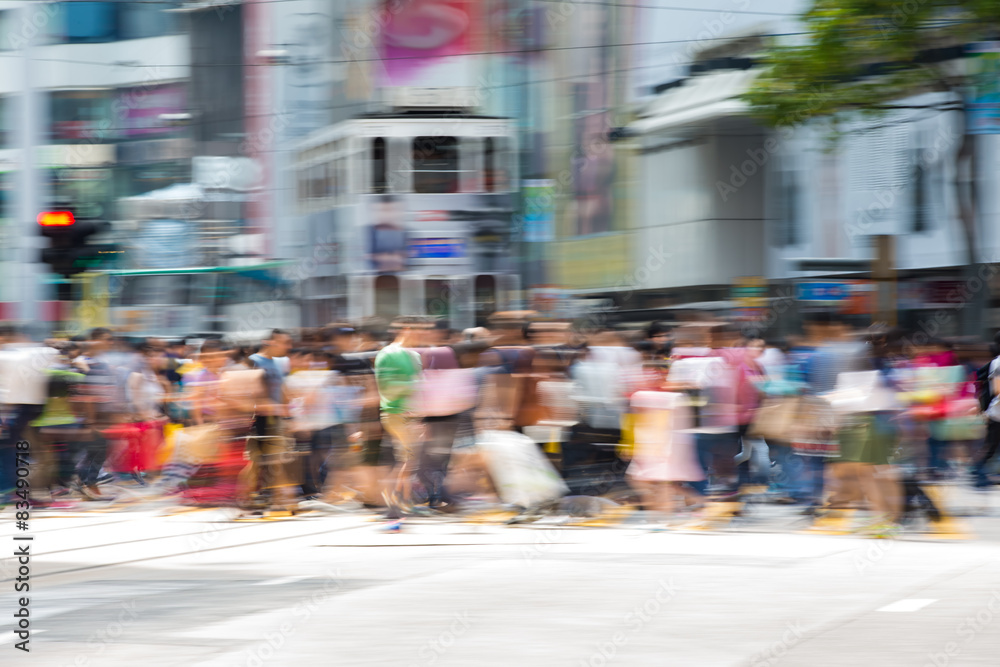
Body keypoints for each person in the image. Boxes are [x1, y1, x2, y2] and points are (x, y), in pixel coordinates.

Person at [374, 316, 426, 528]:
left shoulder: (415, 356)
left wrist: (421, 415)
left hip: (411, 414)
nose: (425, 336)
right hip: (394, 414)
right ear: (406, 329)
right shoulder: (386, 354)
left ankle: (402, 502)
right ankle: (392, 500)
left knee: (408, 459)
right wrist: (412, 384)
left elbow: (421, 389)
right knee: (409, 458)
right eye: (421, 331)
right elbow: (386, 388)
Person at [244, 329, 295, 511]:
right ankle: (248, 496)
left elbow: (281, 390)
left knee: (274, 460)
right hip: (258, 419)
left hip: (275, 418)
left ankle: (279, 498)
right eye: (284, 342)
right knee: (258, 462)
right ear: (270, 342)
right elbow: (249, 392)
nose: (288, 347)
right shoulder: (254, 361)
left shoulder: (278, 363)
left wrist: (288, 414)